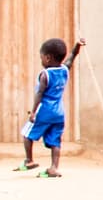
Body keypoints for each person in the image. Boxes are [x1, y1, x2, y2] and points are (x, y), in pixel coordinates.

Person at [16, 35, 85, 176]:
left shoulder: (45, 75)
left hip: (44, 111)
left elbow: (39, 93)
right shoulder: (64, 70)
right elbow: (72, 56)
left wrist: (33, 112)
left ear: (47, 58)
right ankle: (54, 167)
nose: (41, 60)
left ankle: (29, 160)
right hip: (59, 113)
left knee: (27, 134)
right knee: (55, 141)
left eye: (41, 57)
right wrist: (77, 46)